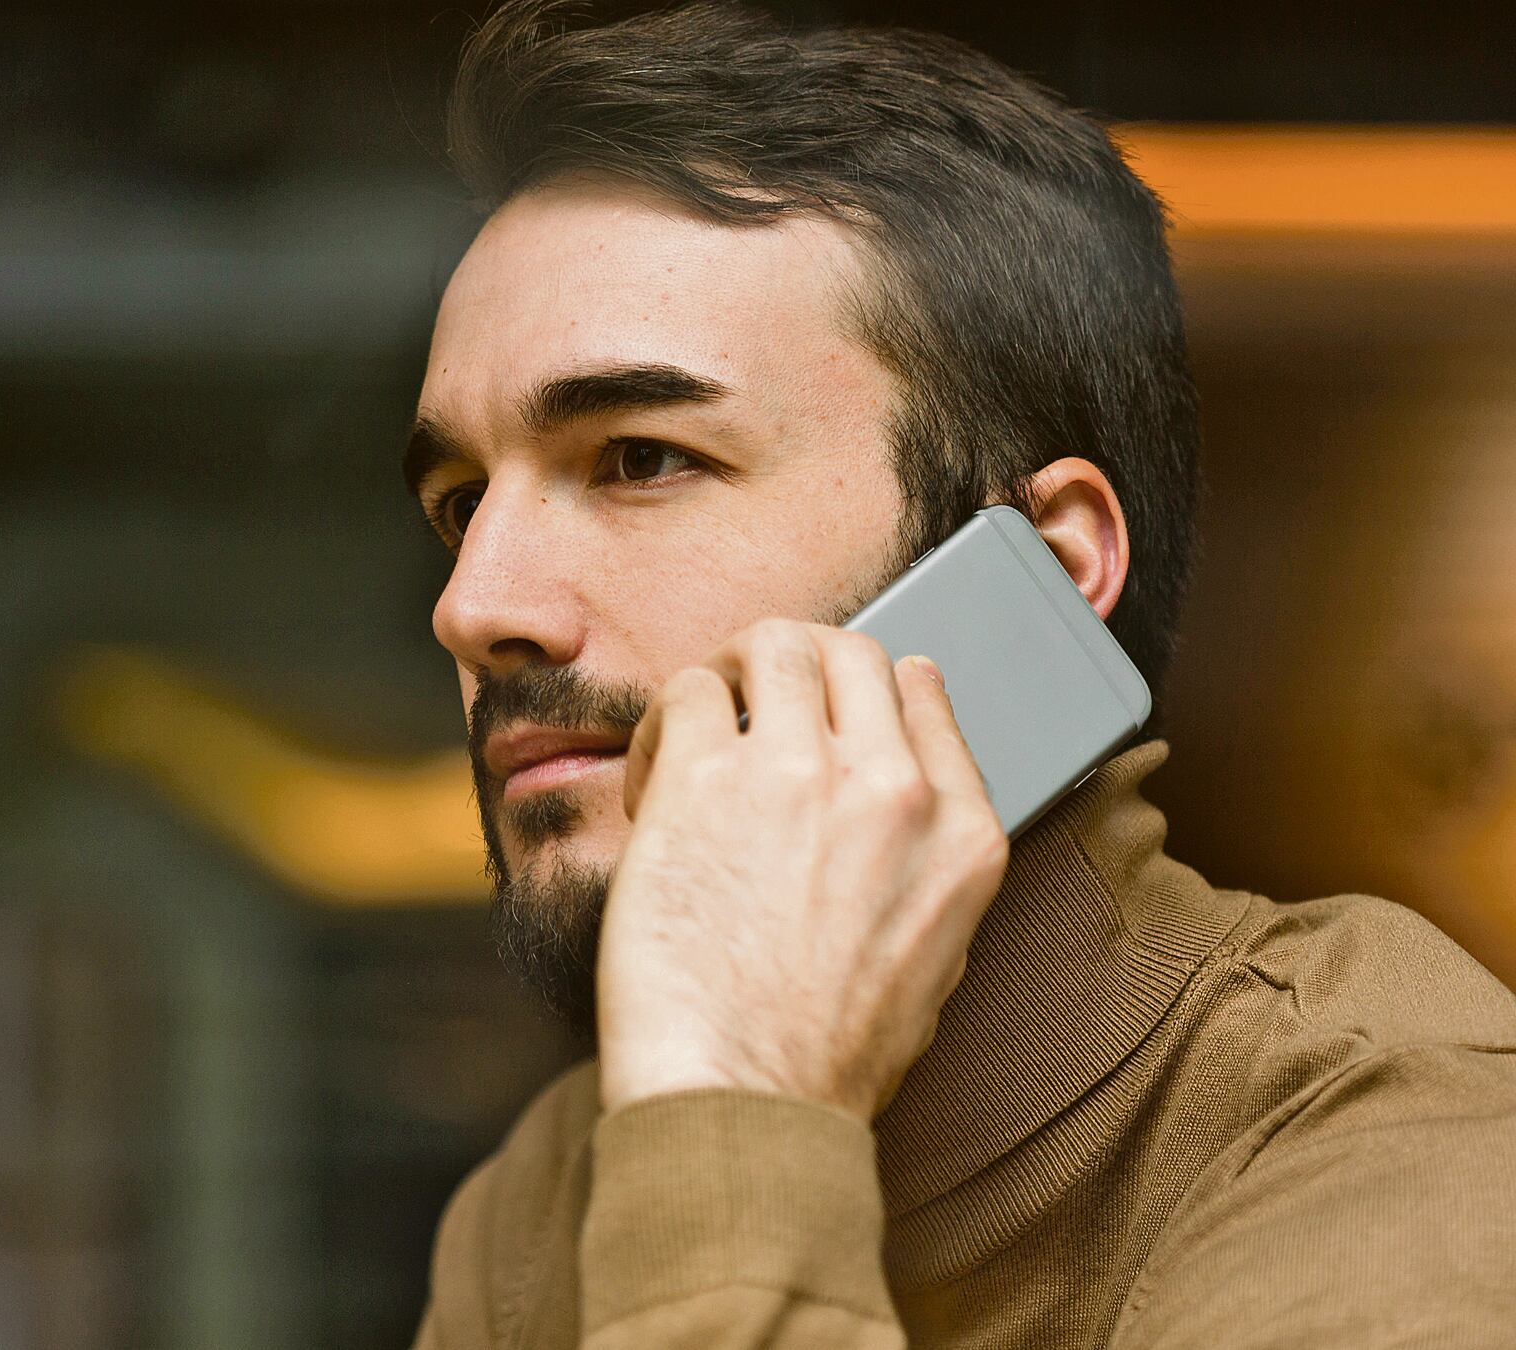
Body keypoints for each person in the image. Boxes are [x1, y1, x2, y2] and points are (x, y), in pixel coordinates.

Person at [401, 3, 1516, 1346]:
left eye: (641, 457)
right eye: (462, 502)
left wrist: (737, 1127)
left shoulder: (1397, 1142)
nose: (474, 604)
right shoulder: (549, 1196)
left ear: (1040, 570)